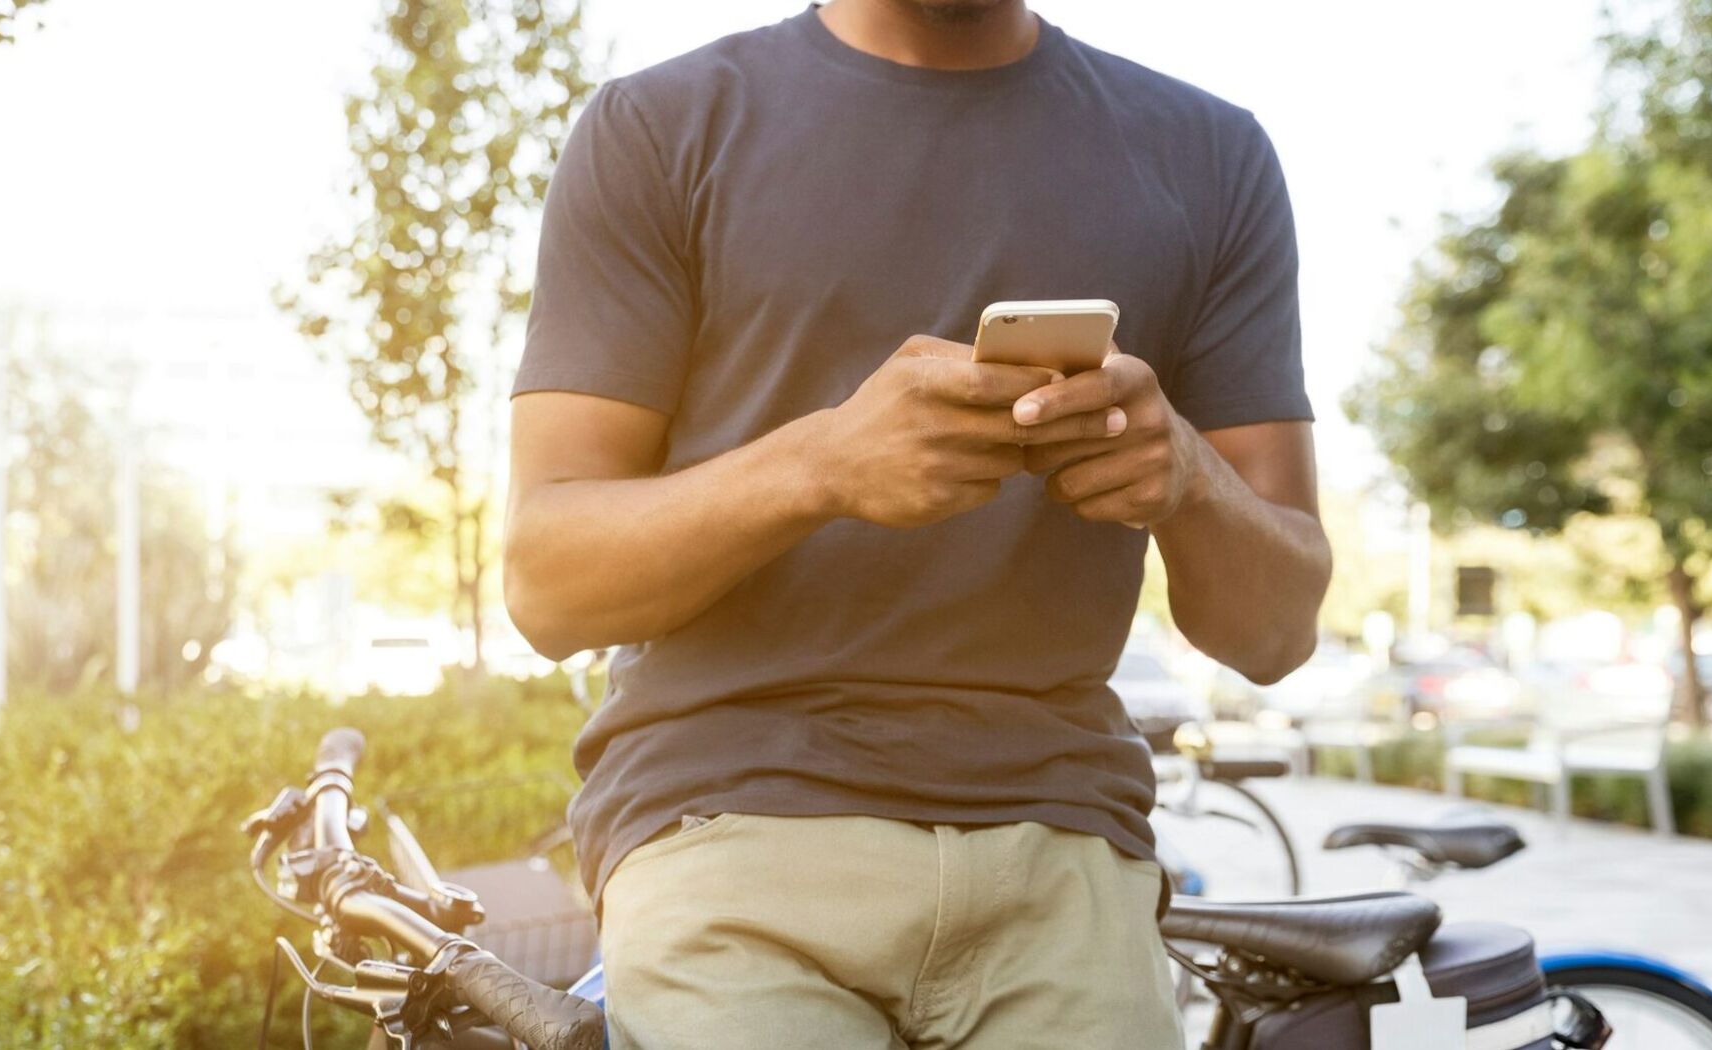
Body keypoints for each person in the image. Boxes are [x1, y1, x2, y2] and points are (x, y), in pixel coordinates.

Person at [503, 0, 1330, 1045]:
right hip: (732, 824)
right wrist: (821, 465)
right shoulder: (659, 128)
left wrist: (1188, 478)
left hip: (1065, 848)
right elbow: (546, 586)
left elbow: (1276, 633)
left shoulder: (1211, 155)